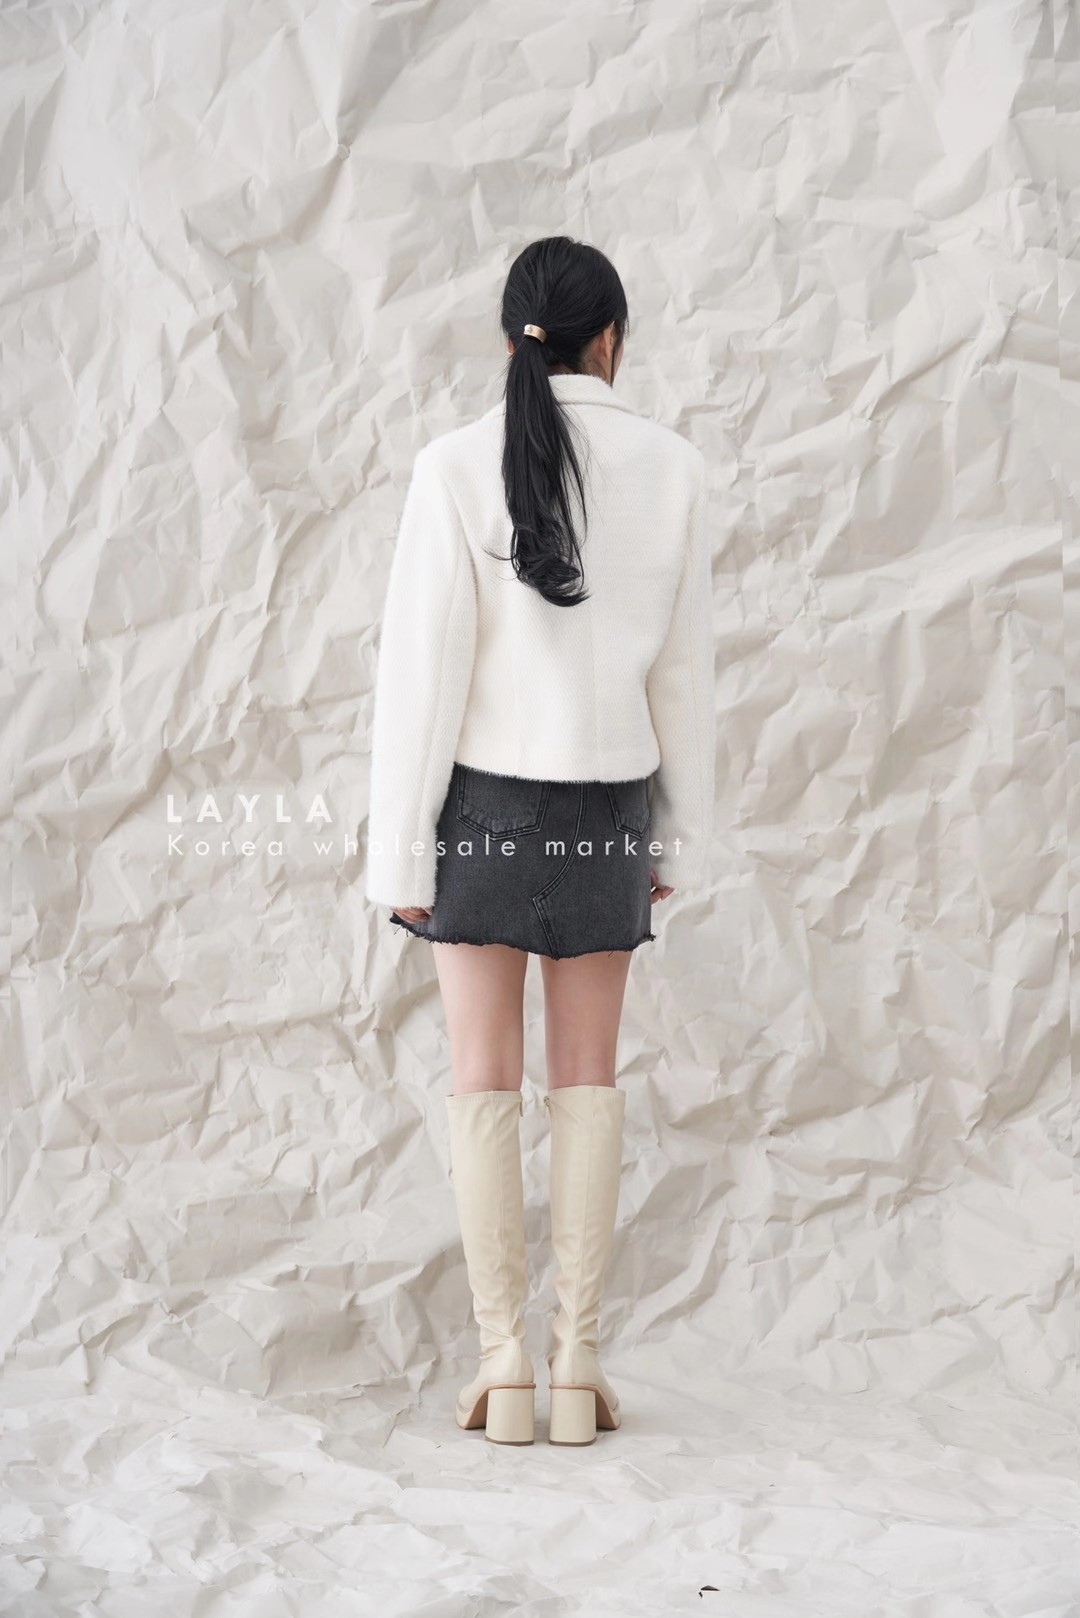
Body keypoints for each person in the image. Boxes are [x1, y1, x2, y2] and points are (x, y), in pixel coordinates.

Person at [365, 235, 716, 1445]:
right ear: (608, 338)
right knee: (587, 1080)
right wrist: (678, 840)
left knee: (481, 1075)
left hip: (483, 814)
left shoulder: (452, 465)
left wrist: (401, 856)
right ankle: (578, 1367)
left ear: (513, 336)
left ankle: (502, 1366)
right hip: (609, 813)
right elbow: (685, 680)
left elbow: (422, 680)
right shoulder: (673, 468)